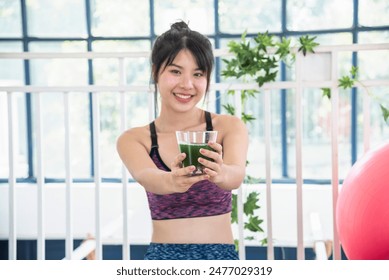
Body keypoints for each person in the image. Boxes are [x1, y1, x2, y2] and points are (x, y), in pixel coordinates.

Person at [116, 21, 248, 260]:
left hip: (220, 259)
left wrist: (220, 173)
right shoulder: (135, 139)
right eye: (176, 71)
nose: (187, 84)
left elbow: (236, 176)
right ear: (156, 71)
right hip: (163, 258)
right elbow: (148, 177)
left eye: (198, 74)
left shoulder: (228, 127)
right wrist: (172, 180)